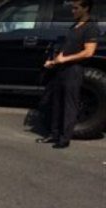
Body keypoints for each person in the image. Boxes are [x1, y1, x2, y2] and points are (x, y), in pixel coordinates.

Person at [37, 0, 100, 149]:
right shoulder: (74, 26)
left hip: (74, 70)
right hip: (61, 69)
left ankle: (64, 139)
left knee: (69, 105)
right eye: (72, 8)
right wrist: (54, 61)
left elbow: (88, 52)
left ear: (86, 8)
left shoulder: (90, 27)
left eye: (76, 8)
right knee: (56, 102)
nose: (73, 11)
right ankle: (54, 134)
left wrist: (65, 59)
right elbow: (67, 49)